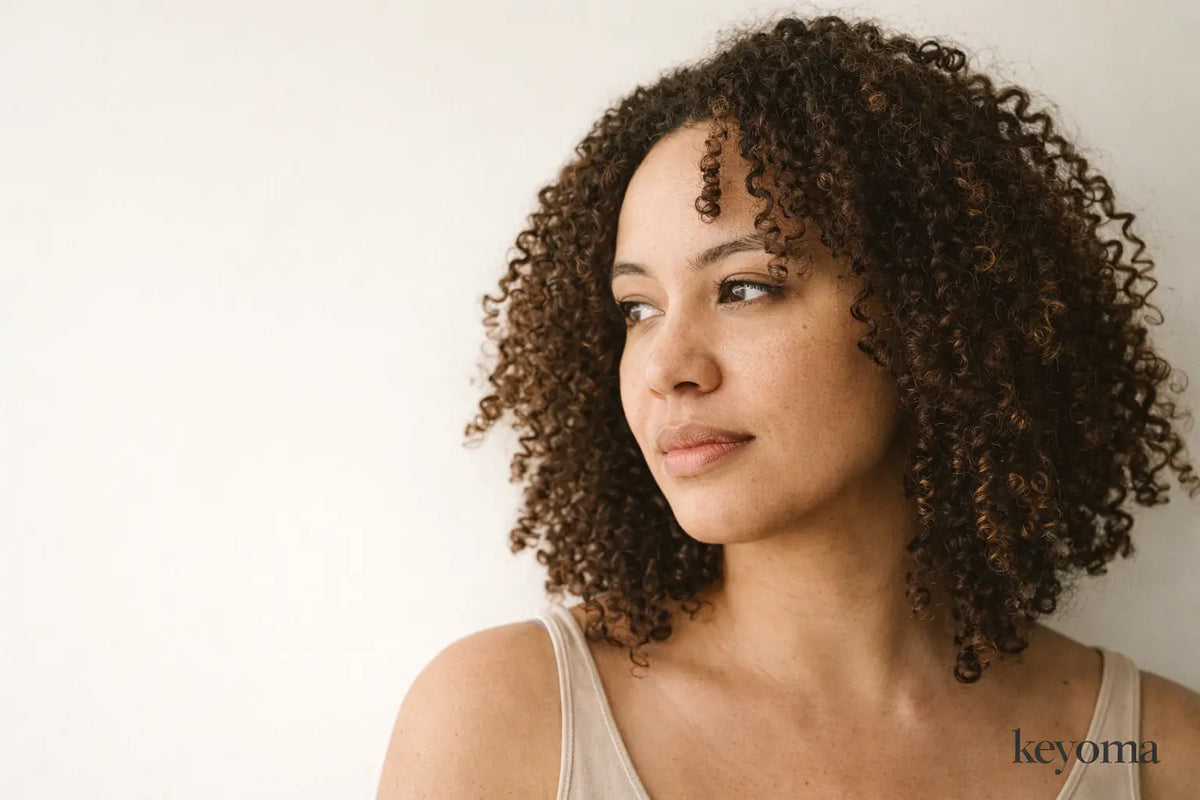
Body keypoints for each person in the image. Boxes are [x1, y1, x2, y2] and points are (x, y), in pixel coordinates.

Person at [378, 13, 1200, 799]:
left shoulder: (1159, 754)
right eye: (637, 309)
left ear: (932, 320)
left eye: (744, 288)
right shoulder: (505, 720)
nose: (665, 367)